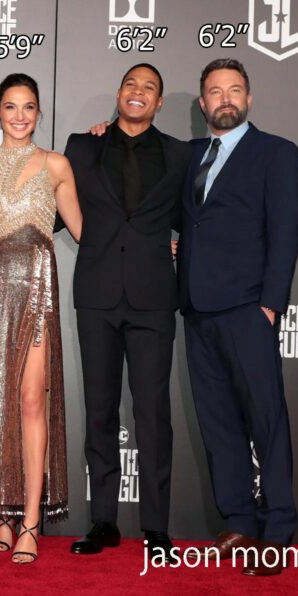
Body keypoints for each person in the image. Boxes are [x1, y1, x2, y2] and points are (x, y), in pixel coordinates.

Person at [178, 58, 298, 576]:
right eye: (215, 91)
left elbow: (286, 230)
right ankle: (240, 521)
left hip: (250, 308)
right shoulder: (187, 155)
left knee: (266, 420)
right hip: (196, 308)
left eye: (234, 90)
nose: (225, 98)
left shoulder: (276, 153)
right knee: (219, 423)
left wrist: (271, 303)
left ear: (248, 99)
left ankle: (277, 532)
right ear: (203, 102)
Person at [66, 64, 191, 562]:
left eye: (149, 88)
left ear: (158, 103)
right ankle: (103, 521)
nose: (138, 92)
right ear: (118, 94)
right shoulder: (83, 147)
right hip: (96, 295)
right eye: (131, 85)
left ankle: (156, 529)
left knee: (153, 414)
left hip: (154, 297)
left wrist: (183, 247)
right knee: (99, 411)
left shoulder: (180, 155)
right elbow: (51, 206)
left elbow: (194, 218)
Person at [0, 73, 82, 564]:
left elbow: (83, 230)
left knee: (32, 400)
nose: (19, 116)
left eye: (28, 107)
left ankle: (30, 520)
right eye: (11, 106)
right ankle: (3, 515)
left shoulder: (56, 165)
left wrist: (157, 242)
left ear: (38, 112)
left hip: (36, 289)